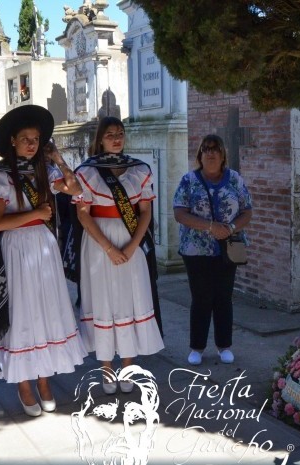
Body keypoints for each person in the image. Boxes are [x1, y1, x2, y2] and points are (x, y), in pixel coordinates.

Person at [0, 105, 87, 416]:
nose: (31, 143)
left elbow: (77, 190)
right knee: (24, 312)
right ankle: (24, 383)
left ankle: (44, 379)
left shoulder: (45, 170)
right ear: (12, 140)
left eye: (37, 138)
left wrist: (57, 159)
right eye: (25, 138)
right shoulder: (0, 176)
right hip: (17, 248)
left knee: (45, 310)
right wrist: (37, 214)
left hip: (44, 247)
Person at [72, 117, 164, 394]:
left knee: (130, 299)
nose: (116, 138)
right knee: (102, 300)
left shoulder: (139, 170)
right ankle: (106, 369)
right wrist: (110, 248)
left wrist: (132, 245)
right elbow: (82, 215)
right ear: (100, 139)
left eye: (120, 134)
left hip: (131, 239)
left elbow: (145, 212)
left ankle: (127, 366)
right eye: (110, 134)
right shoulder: (86, 172)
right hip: (99, 244)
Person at [172, 135, 253, 366]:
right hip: (195, 249)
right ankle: (197, 347)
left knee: (223, 298)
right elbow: (180, 213)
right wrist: (210, 226)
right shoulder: (189, 180)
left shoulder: (235, 179)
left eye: (215, 149)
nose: (210, 153)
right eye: (206, 149)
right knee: (201, 298)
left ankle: (224, 346)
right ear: (200, 155)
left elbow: (247, 211)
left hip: (227, 248)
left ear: (222, 155)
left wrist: (230, 227)